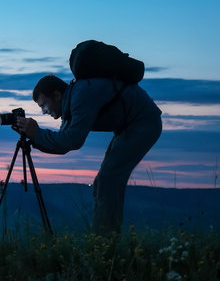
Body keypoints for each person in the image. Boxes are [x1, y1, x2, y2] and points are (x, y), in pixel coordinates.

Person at [16, 74, 162, 235]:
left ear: (57, 95)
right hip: (129, 126)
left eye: (44, 105)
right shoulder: (71, 102)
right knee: (103, 182)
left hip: (143, 122)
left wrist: (37, 134)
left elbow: (72, 141)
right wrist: (34, 137)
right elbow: (64, 144)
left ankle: (105, 243)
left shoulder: (80, 96)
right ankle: (103, 240)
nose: (44, 112)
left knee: (108, 180)